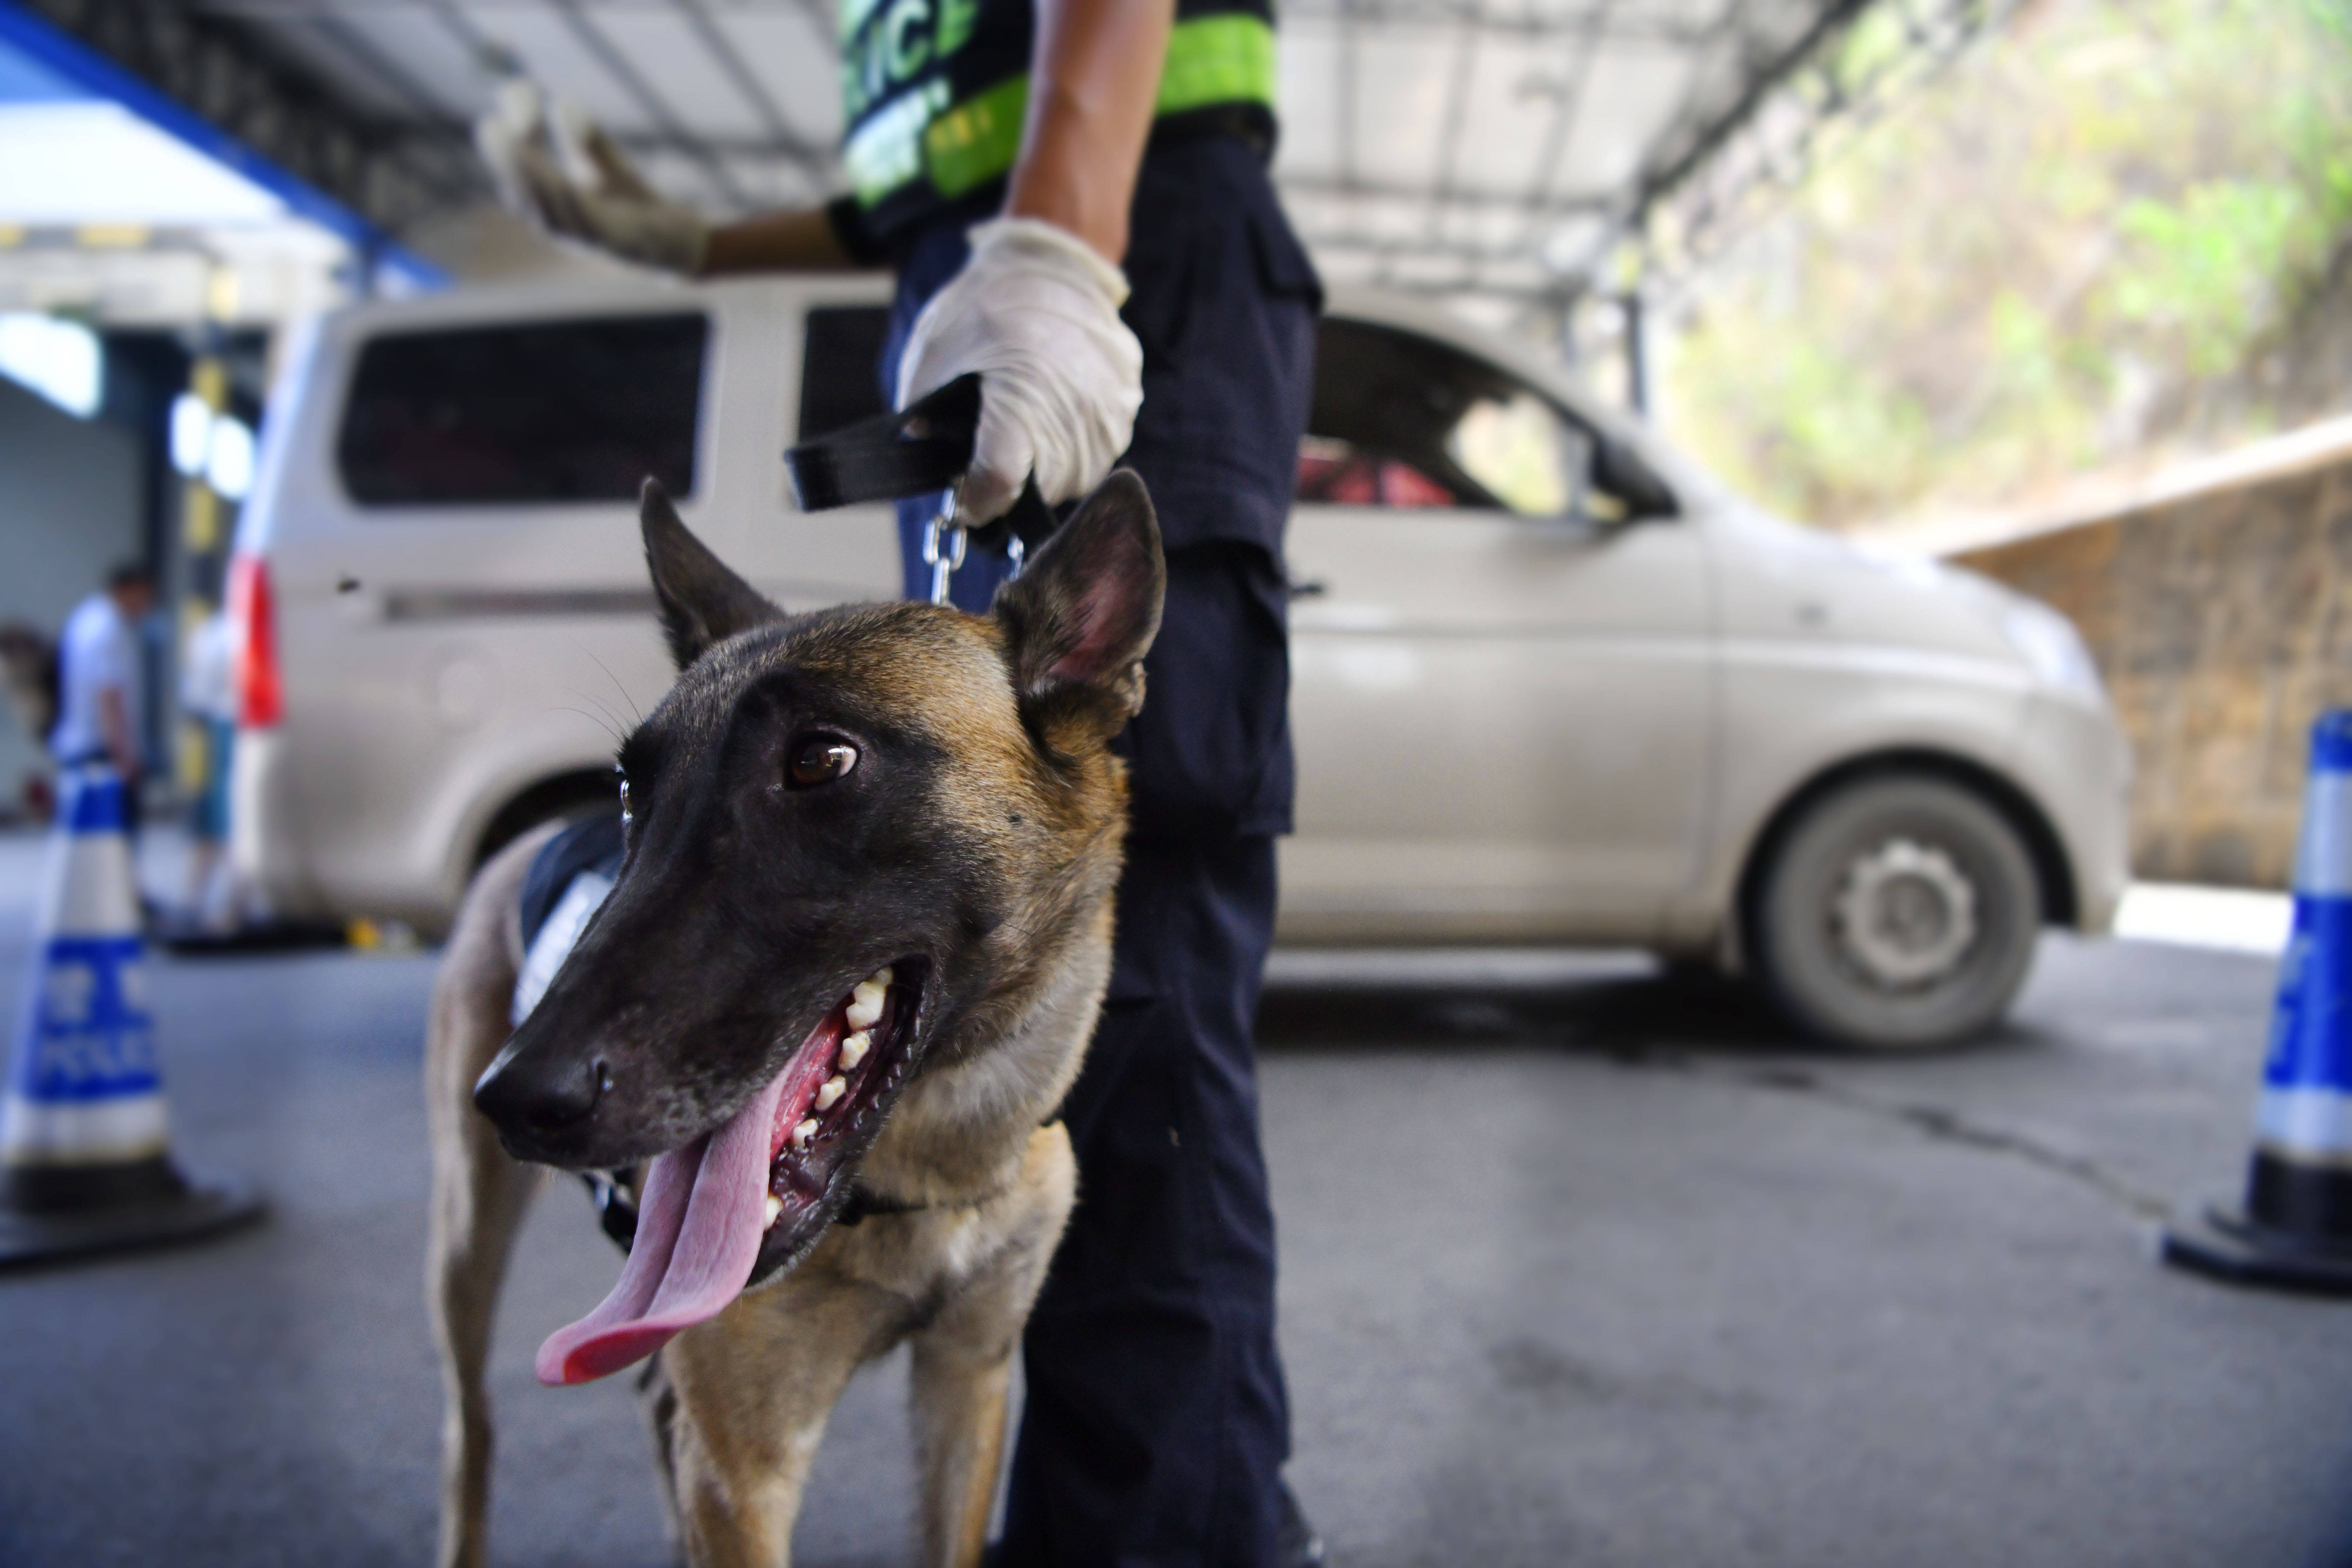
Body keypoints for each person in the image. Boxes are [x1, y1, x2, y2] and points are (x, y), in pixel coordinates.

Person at [479, 4, 1323, 1558]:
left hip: (1124, 237)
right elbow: (929, 147)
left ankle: (1175, 1544)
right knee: (873, 890)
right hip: (980, 259)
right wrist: (692, 242)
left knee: (1140, 984)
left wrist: (1063, 247)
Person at [49, 563, 155, 816]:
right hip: (101, 750)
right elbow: (108, 693)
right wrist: (121, 754)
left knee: (86, 839)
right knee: (108, 841)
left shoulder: (87, 617)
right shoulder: (109, 629)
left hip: (82, 743)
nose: (147, 606)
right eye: (145, 596)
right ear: (127, 591)